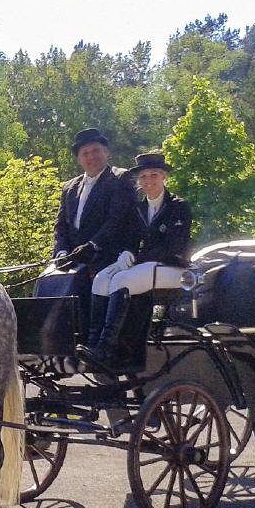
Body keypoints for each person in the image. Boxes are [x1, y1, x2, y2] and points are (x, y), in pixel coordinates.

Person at [77, 152, 192, 368]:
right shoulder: (138, 209)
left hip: (173, 268)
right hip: (147, 265)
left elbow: (172, 246)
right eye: (144, 177)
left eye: (154, 175)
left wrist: (137, 258)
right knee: (102, 278)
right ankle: (93, 344)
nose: (148, 181)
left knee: (122, 281)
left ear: (164, 177)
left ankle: (107, 349)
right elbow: (131, 239)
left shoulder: (178, 207)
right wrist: (126, 253)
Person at [52, 128, 137, 275]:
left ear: (106, 152)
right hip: (72, 261)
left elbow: (116, 220)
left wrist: (93, 245)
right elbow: (61, 226)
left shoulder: (120, 178)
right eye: (85, 153)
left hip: (106, 258)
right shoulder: (69, 188)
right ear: (79, 159)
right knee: (46, 284)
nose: (91, 156)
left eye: (96, 151)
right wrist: (62, 252)